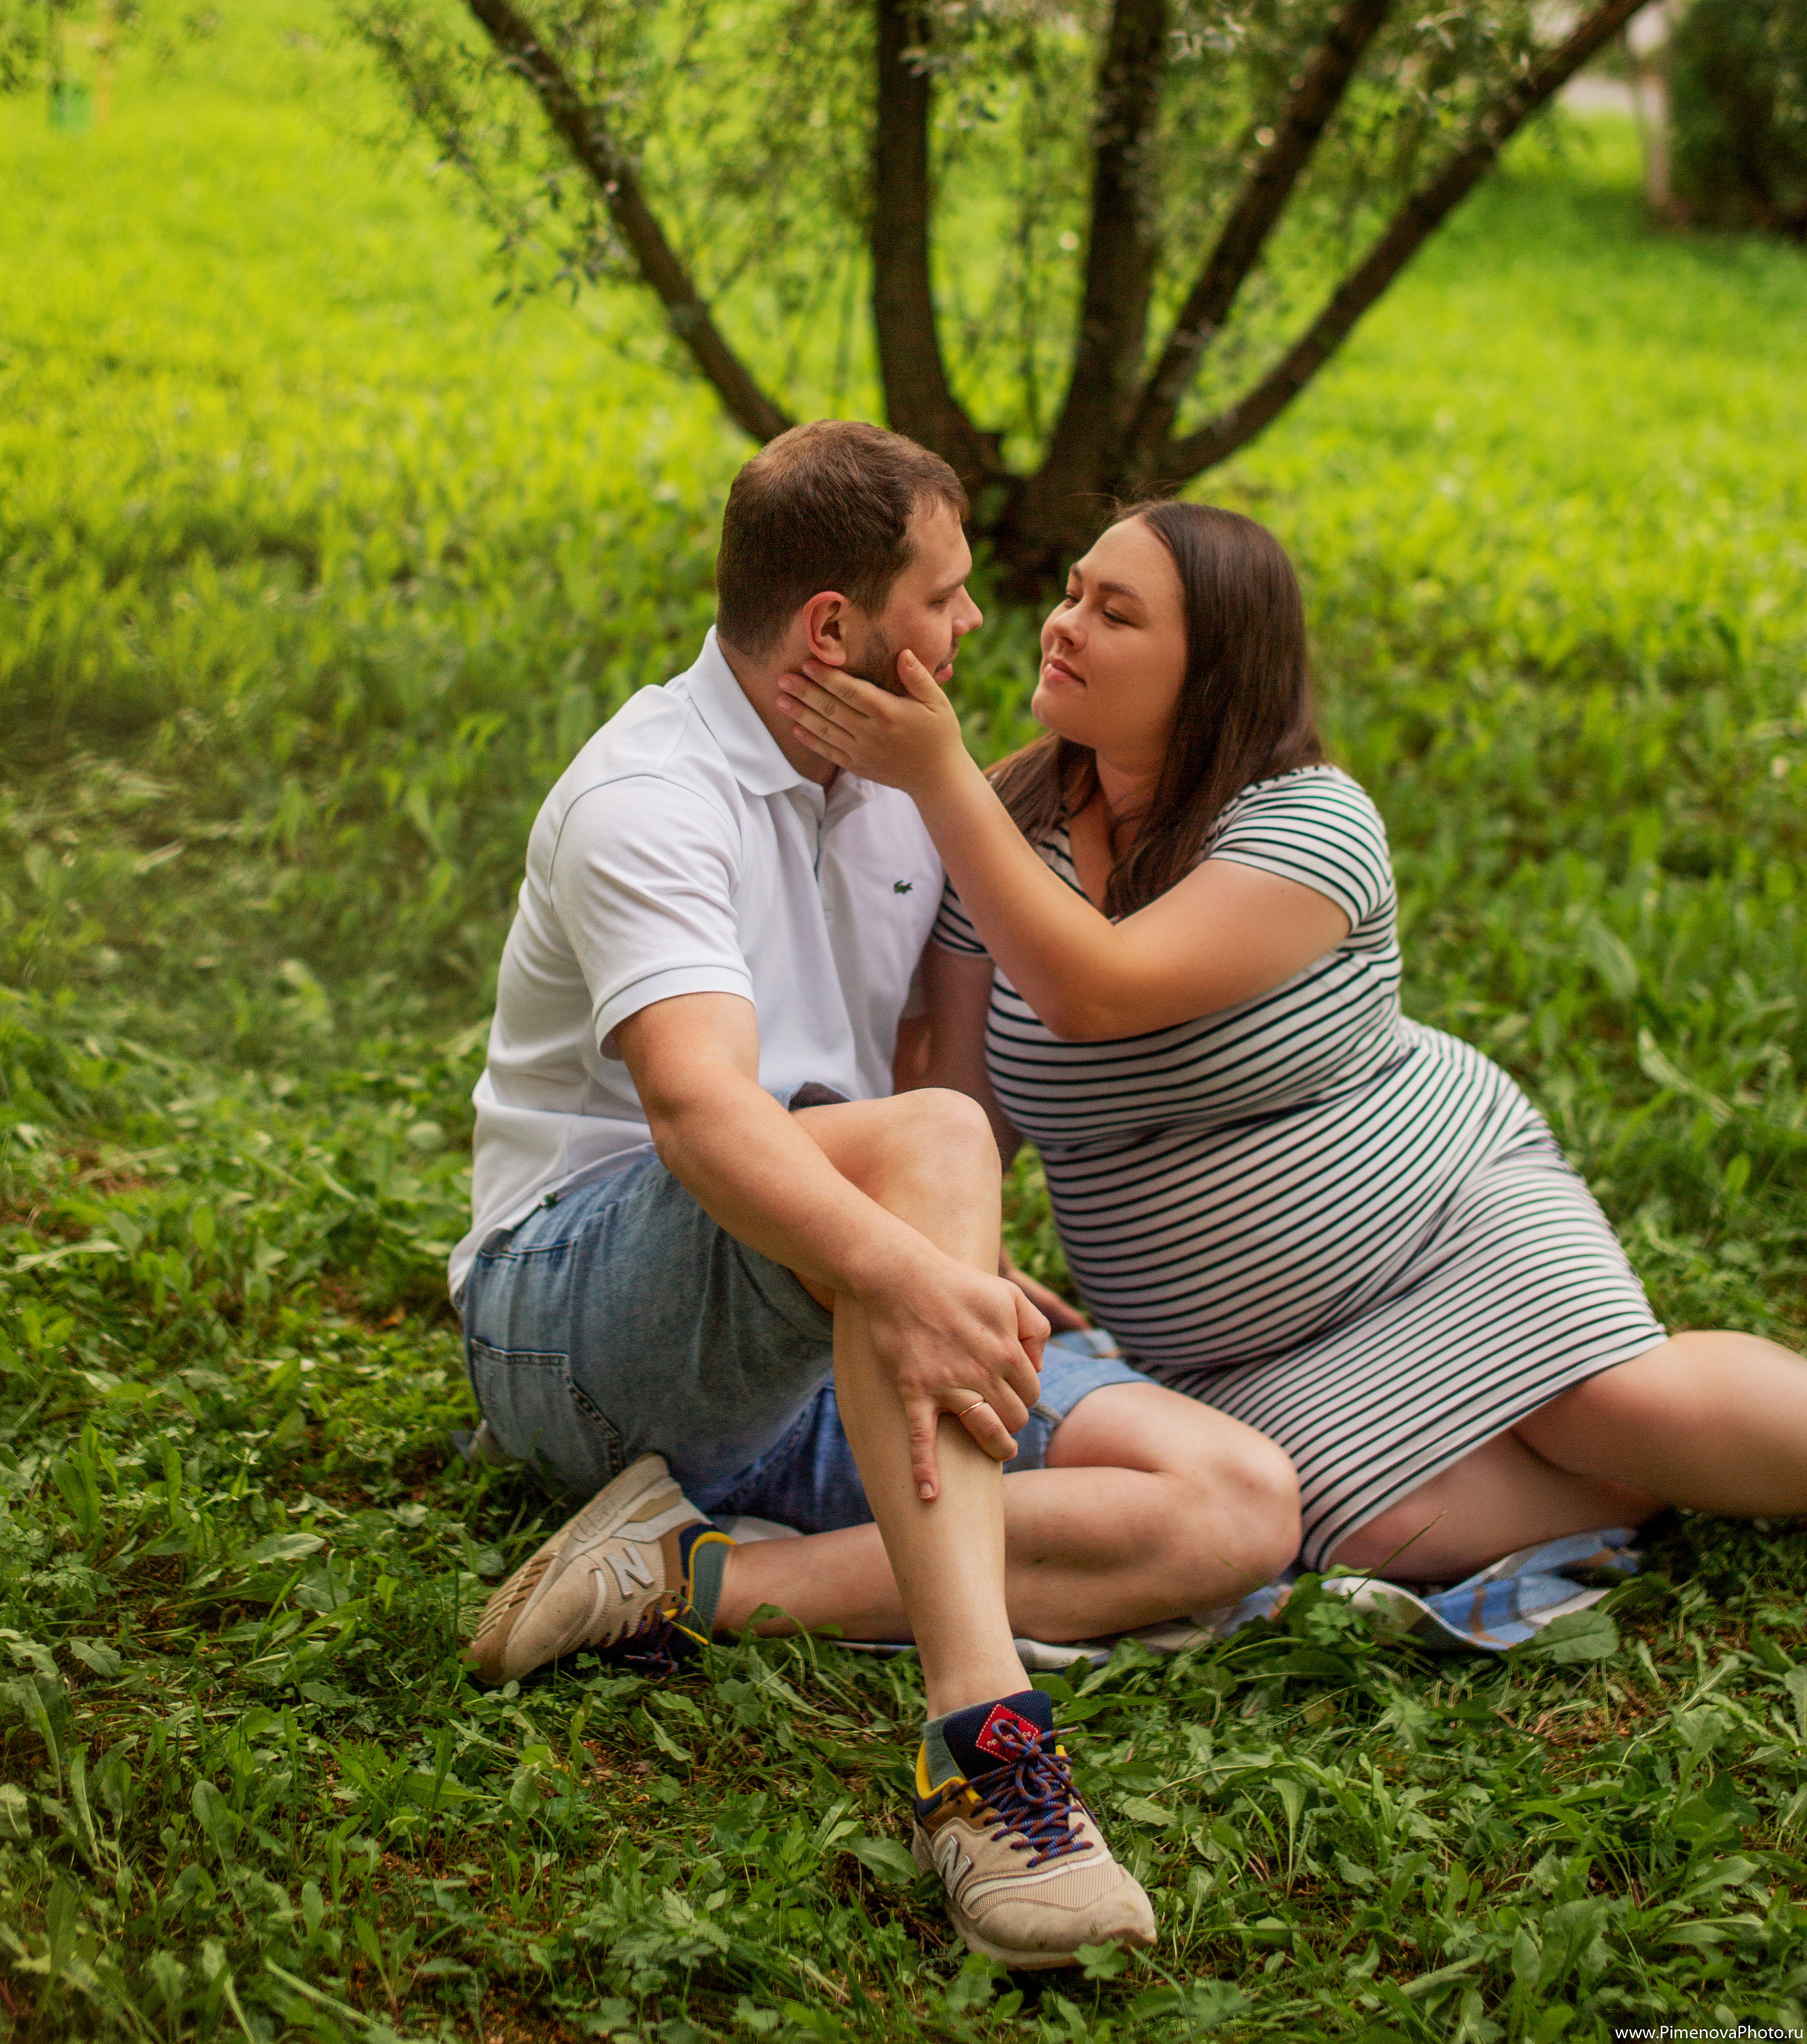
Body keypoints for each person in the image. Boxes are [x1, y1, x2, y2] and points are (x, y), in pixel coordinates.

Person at [452, 425, 1299, 1972]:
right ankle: (982, 1755)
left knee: (1233, 1502)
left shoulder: (914, 792)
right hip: (575, 1327)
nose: (979, 626)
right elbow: (699, 1113)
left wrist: (936, 1262)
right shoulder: (645, 794)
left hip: (823, 1309)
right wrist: (914, 1265)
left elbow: (937, 1089)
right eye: (949, 593)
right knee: (930, 1162)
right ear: (834, 628)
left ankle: (679, 1581)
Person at [773, 496, 1807, 1584]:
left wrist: (937, 780)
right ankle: (1630, 1482)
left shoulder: (1308, 821)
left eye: (1116, 614)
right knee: (1382, 1539)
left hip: (1435, 1221)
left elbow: (1099, 994)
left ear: (1214, 666)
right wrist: (966, 1247)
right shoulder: (1002, 826)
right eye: (1073, 594)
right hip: (1233, 1348)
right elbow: (965, 1099)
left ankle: (1596, 1419)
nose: (1063, 625)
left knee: (1608, 1401)